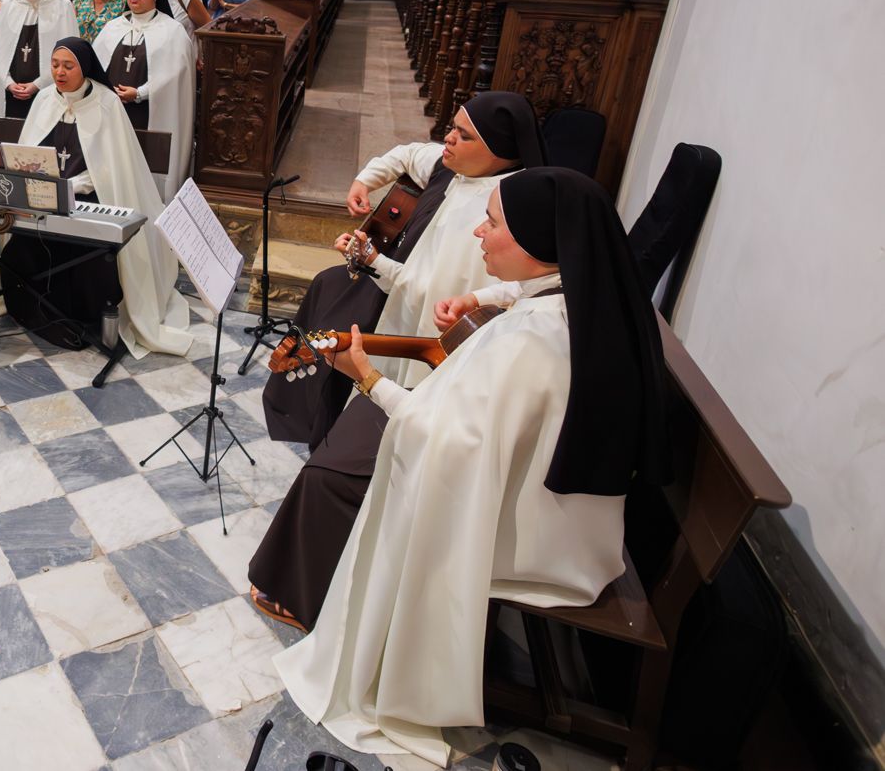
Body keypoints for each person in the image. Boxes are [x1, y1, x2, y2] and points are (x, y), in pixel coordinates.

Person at [274, 167, 668, 768]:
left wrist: (369, 379)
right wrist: (482, 296)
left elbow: (442, 445)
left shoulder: (531, 344)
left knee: (374, 473)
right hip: (577, 515)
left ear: (542, 242)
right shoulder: (583, 293)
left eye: (495, 222)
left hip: (536, 535)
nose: (479, 233)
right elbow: (518, 296)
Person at [250, 93, 546, 631]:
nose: (448, 141)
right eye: (451, 130)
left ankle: (306, 589)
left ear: (501, 152)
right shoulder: (452, 171)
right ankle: (310, 417)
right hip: (408, 325)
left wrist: (373, 262)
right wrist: (365, 182)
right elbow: (409, 154)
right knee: (327, 294)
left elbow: (438, 298)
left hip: (427, 356)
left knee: (330, 475)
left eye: (462, 135)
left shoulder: (502, 211)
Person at [2, 38, 191, 357]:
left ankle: (85, 315)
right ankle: (36, 309)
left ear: (85, 68)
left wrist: (73, 186)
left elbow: (111, 169)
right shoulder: (45, 99)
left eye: (68, 66)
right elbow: (27, 153)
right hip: (45, 202)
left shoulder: (106, 103)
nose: (59, 72)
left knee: (89, 254)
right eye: (55, 65)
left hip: (93, 202)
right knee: (20, 247)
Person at [91, 0, 194, 201]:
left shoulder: (172, 31)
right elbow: (95, 67)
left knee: (146, 174)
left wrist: (140, 93)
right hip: (114, 113)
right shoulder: (113, 27)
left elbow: (175, 75)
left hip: (150, 113)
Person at [0, 0, 79, 121]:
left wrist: (37, 84)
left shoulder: (62, 5)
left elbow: (69, 55)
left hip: (49, 91)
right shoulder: (9, 6)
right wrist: (8, 83)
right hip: (11, 94)